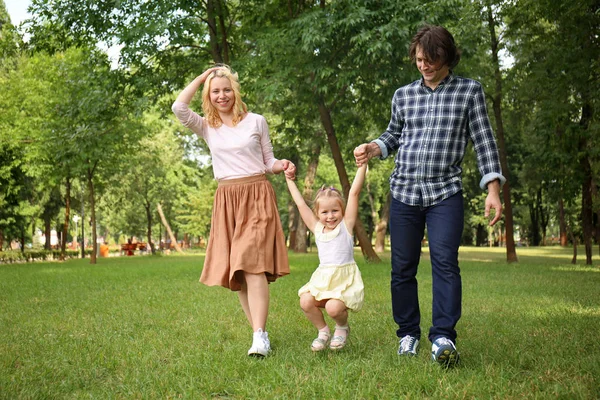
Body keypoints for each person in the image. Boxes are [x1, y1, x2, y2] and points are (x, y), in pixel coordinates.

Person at [354, 25, 505, 367]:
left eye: (432, 60)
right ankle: (408, 333)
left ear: (447, 57)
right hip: (404, 191)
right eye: (420, 59)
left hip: (445, 193)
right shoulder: (403, 95)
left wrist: (493, 189)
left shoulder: (469, 92)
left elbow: (484, 141)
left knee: (445, 264)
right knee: (402, 267)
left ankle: (443, 337)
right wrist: (373, 147)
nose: (424, 66)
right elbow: (392, 135)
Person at [172, 65, 296, 357]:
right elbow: (179, 106)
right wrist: (203, 77)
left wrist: (282, 165)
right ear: (209, 95)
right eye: (215, 91)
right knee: (238, 272)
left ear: (235, 91)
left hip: (256, 195)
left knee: (252, 266)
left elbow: (268, 161)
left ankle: (259, 335)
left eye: (227, 89)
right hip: (227, 199)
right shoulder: (207, 126)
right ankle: (259, 335)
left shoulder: (256, 121)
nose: (222, 95)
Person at [285, 164, 367, 351]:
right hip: (323, 279)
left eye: (335, 211)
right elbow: (300, 204)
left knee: (333, 308)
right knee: (305, 301)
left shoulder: (346, 226)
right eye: (324, 212)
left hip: (343, 281)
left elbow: (353, 193)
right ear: (317, 214)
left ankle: (342, 327)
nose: (330, 216)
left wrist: (362, 166)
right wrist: (289, 180)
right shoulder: (317, 228)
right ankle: (323, 331)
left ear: (342, 211)